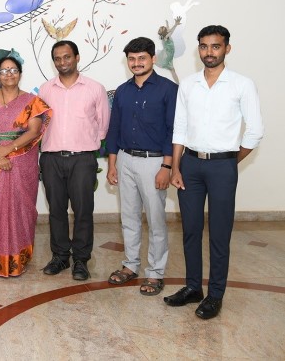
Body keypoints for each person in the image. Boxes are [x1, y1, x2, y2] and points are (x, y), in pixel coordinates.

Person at [164, 25, 264, 319]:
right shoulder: (188, 84)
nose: (209, 52)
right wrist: (176, 167)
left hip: (223, 166)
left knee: (219, 234)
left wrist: (230, 161)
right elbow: (180, 127)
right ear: (199, 49)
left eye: (216, 46)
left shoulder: (241, 84)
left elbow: (255, 131)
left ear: (227, 49)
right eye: (204, 46)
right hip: (190, 166)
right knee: (190, 230)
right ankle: (193, 287)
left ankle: (215, 294)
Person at [105, 37, 177, 295]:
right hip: (125, 159)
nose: (136, 63)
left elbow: (173, 130)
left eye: (142, 58)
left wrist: (166, 167)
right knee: (129, 216)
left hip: (154, 162)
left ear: (153, 59)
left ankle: (155, 273)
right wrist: (112, 164)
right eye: (132, 59)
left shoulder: (168, 89)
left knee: (156, 220)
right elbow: (114, 128)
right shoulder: (122, 91)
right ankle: (130, 265)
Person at [0, 56, 51, 277]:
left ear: (20, 74)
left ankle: (17, 259)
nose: (9, 74)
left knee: (20, 208)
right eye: (4, 71)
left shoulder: (32, 101)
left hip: (22, 161)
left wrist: (9, 149)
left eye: (13, 70)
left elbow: (34, 131)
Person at [39, 40, 109, 281]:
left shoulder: (95, 88)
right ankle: (60, 256)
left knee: (83, 211)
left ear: (77, 57)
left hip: (82, 159)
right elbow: (40, 124)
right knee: (56, 210)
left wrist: (86, 145)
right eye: (58, 58)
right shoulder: (45, 89)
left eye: (67, 56)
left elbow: (103, 125)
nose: (62, 62)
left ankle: (81, 259)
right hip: (51, 159)